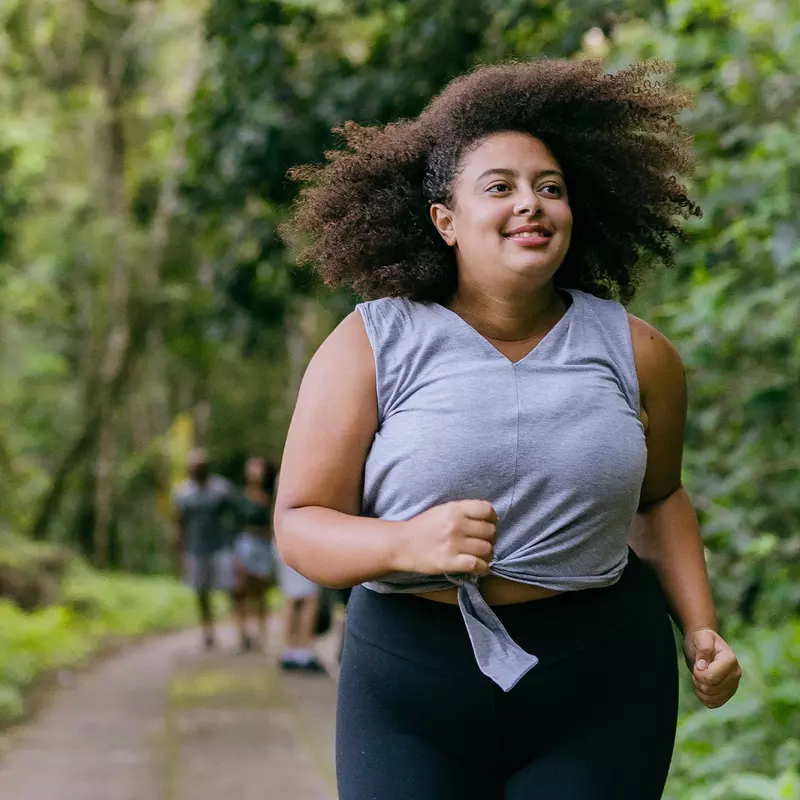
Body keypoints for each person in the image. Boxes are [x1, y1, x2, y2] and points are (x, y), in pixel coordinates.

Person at [274, 60, 743, 799]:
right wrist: (404, 541)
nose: (531, 203)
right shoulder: (371, 343)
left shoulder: (640, 352)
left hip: (601, 683)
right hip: (410, 683)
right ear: (445, 221)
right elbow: (300, 522)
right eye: (501, 187)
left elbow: (659, 500)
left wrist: (702, 627)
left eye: (549, 188)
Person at [172, 448, 238, 650]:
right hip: (195, 550)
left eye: (200, 466)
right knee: (201, 593)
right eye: (193, 466)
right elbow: (179, 524)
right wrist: (181, 552)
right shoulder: (182, 493)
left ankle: (240, 629)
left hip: (221, 548)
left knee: (231, 589)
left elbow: (235, 516)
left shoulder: (221, 488)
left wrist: (235, 545)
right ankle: (208, 632)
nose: (197, 470)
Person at [272, 470, 326, 673]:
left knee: (294, 598)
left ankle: (292, 649)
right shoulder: (297, 473)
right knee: (307, 599)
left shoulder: (285, 473)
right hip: (300, 539)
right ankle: (302, 650)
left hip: (286, 538)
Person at [232, 456, 277, 652]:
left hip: (264, 544)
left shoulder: (270, 496)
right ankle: (243, 634)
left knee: (260, 593)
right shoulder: (240, 496)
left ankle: (261, 635)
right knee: (241, 591)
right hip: (244, 544)